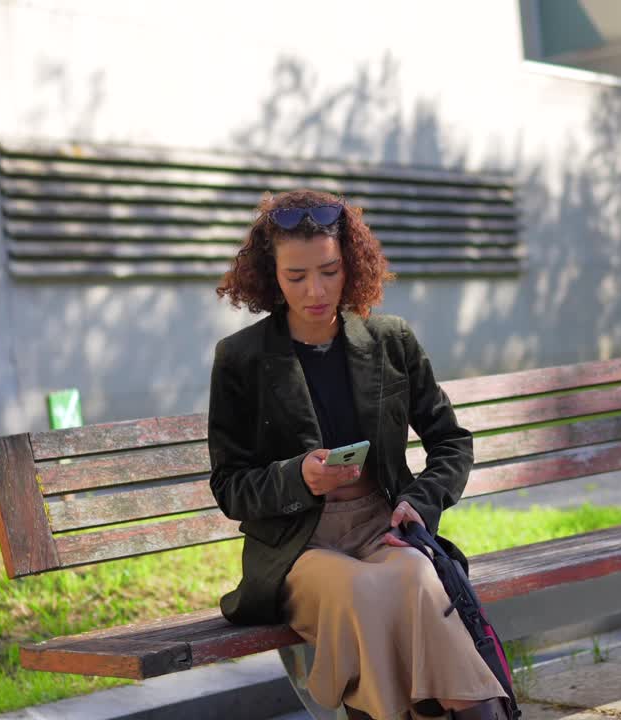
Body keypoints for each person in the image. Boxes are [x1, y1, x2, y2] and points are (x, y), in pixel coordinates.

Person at [207, 189, 511, 720]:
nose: (315, 290)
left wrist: (421, 501)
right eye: (295, 277)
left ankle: (476, 709)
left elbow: (450, 440)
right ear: (270, 276)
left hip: (380, 525)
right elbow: (231, 486)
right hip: (297, 547)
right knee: (362, 591)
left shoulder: (390, 341)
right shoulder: (241, 358)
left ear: (352, 264)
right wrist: (296, 477)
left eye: (329, 270)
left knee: (417, 575)